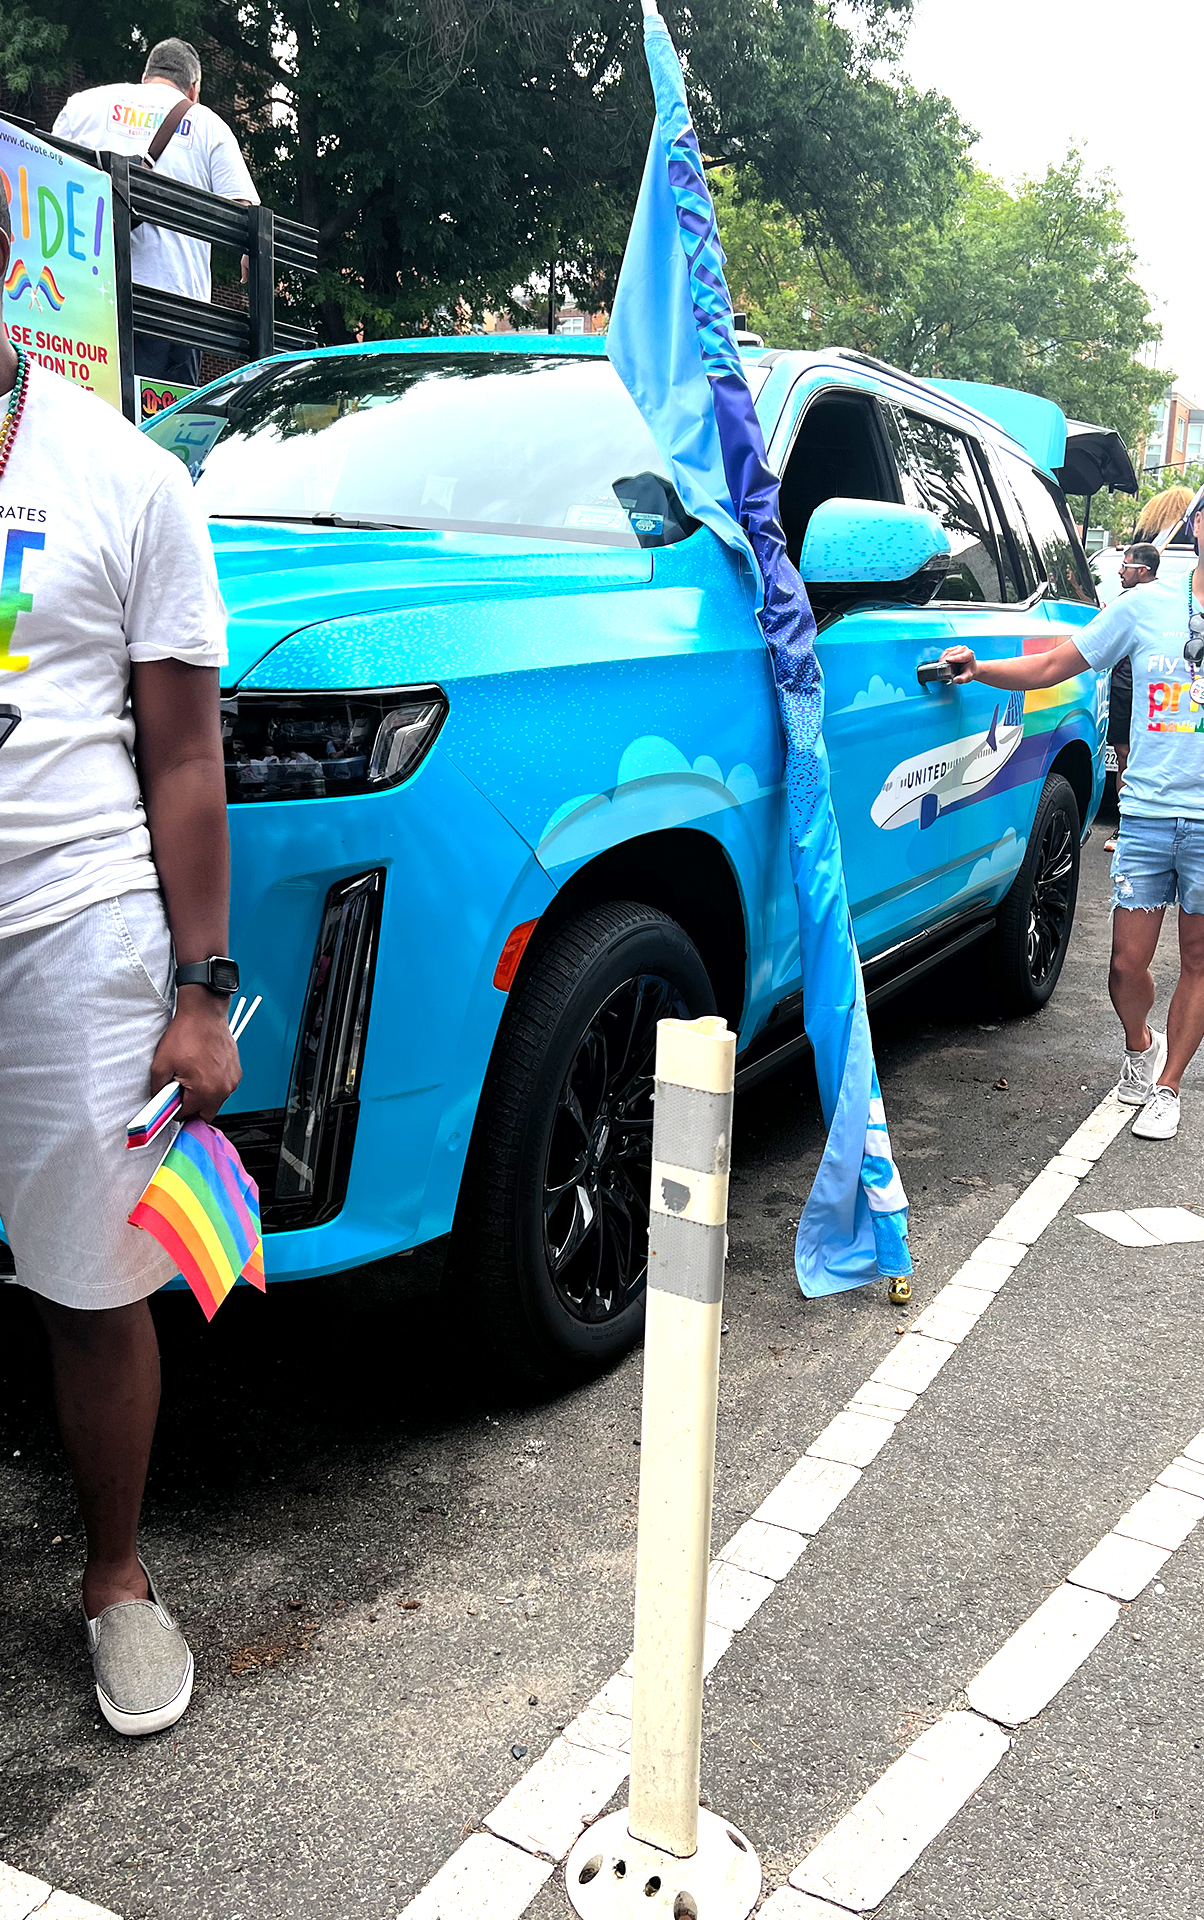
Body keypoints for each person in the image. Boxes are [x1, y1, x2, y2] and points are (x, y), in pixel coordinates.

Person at [0, 191, 240, 1734]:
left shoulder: (125, 475)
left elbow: (183, 754)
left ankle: (115, 1581)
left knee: (93, 1285)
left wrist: (203, 991)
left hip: (71, 931)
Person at [938, 468, 1204, 1141]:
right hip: (1143, 814)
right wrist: (981, 670)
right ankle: (1141, 1047)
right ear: (1196, 524)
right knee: (1123, 965)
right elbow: (1055, 664)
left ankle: (1168, 1087)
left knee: (1200, 954)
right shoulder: (1142, 607)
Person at [53, 39, 259, 389]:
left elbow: (45, 176)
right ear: (194, 88)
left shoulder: (83, 107)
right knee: (161, 432)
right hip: (173, 312)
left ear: (145, 76)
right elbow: (247, 217)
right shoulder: (205, 123)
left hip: (82, 303)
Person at [1104, 542, 1160, 852]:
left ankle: (1132, 826)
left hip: (1138, 685)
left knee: (1129, 755)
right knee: (1124, 754)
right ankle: (1125, 826)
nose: (1119, 571)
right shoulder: (1126, 601)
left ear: (1141, 570)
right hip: (1125, 683)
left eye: (1124, 566)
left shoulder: (1153, 601)